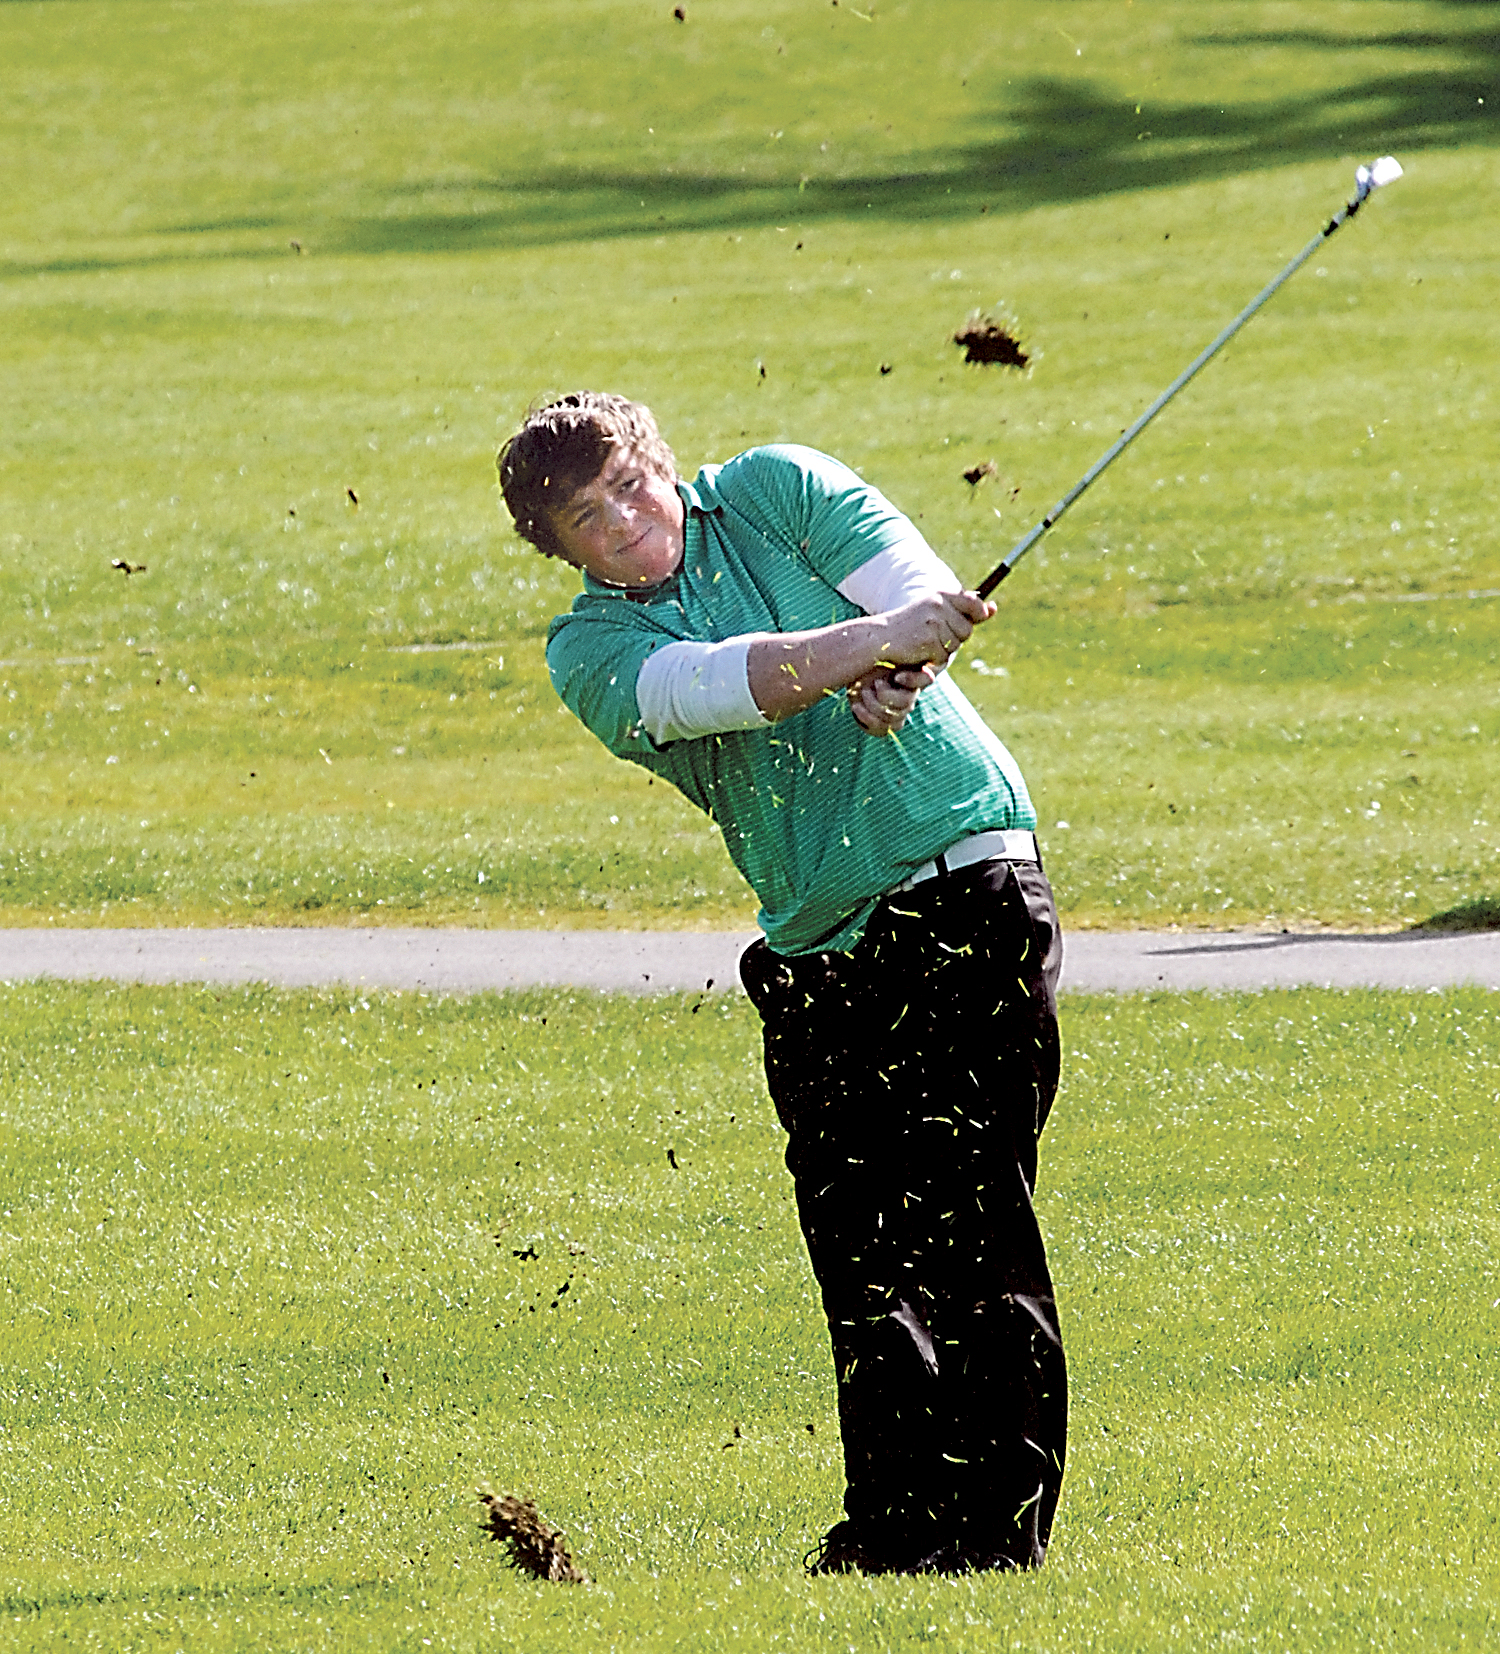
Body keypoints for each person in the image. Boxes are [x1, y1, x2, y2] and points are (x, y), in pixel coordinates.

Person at [497, 391, 1066, 1576]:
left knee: (972, 1223)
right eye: (587, 518)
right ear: (557, 549)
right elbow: (726, 684)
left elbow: (913, 582)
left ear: (665, 464)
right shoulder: (590, 653)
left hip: (964, 889)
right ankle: (893, 1532)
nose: (625, 521)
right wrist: (877, 646)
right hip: (816, 951)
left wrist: (913, 649)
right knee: (860, 1252)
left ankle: (993, 1541)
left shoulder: (775, 486)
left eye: (630, 486)